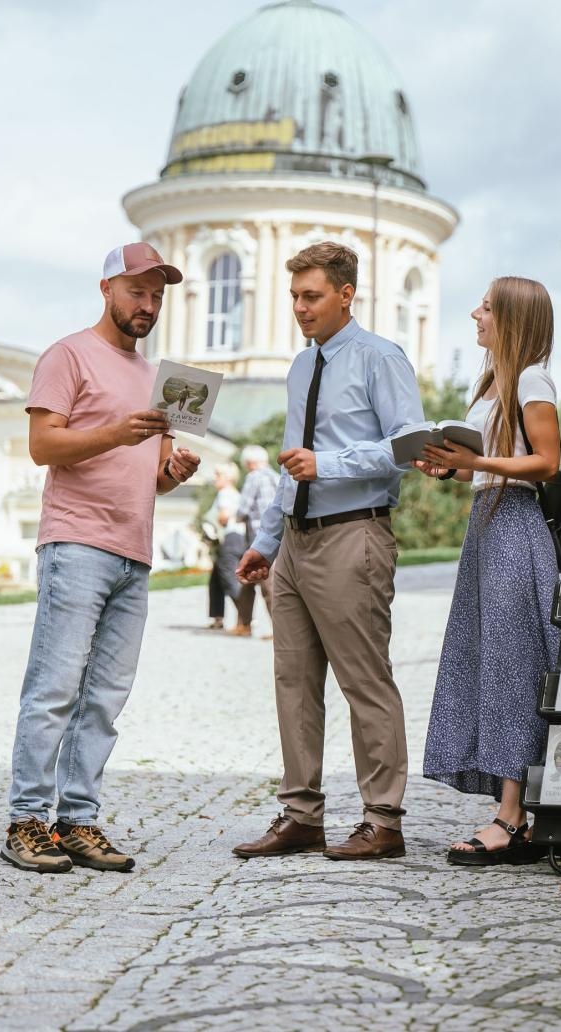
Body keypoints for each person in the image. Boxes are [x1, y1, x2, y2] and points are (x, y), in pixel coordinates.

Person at [3, 242, 201, 874]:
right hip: (76, 543)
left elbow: (147, 476)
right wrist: (118, 432)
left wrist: (173, 470)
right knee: (55, 686)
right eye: (137, 291)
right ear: (107, 289)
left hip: (133, 551)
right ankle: (27, 820)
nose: (147, 305)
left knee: (106, 698)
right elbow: (43, 446)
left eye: (157, 296)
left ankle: (78, 821)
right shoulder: (68, 355)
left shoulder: (160, 380)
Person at [232, 241, 424, 862]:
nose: (299, 308)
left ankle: (383, 820)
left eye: (310, 296)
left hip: (353, 535)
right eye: (293, 297)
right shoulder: (300, 367)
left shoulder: (379, 358)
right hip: (294, 545)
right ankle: (301, 814)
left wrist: (329, 463)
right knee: (293, 681)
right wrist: (266, 542)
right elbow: (292, 465)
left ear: (346, 294)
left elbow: (411, 445)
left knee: (364, 680)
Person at [413, 276, 561, 865]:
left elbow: (548, 462)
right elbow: (497, 462)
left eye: (487, 307)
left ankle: (511, 818)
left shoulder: (532, 378)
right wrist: (455, 468)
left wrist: (476, 460)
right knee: (489, 664)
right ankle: (513, 811)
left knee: (512, 668)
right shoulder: (496, 381)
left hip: (515, 529)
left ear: (512, 318)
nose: (475, 313)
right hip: (488, 525)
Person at [233, 445, 278, 637]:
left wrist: (236, 517)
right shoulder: (276, 476)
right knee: (254, 582)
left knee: (264, 583)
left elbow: (243, 509)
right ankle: (244, 624)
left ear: (249, 462)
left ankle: (276, 630)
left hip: (258, 539)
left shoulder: (254, 477)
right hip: (278, 538)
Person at [204, 462, 244, 632]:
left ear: (228, 477)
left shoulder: (225, 493)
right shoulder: (234, 493)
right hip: (237, 538)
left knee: (228, 578)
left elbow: (224, 517)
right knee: (216, 580)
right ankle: (218, 618)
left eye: (218, 474)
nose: (215, 478)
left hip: (230, 538)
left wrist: (210, 526)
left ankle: (245, 618)